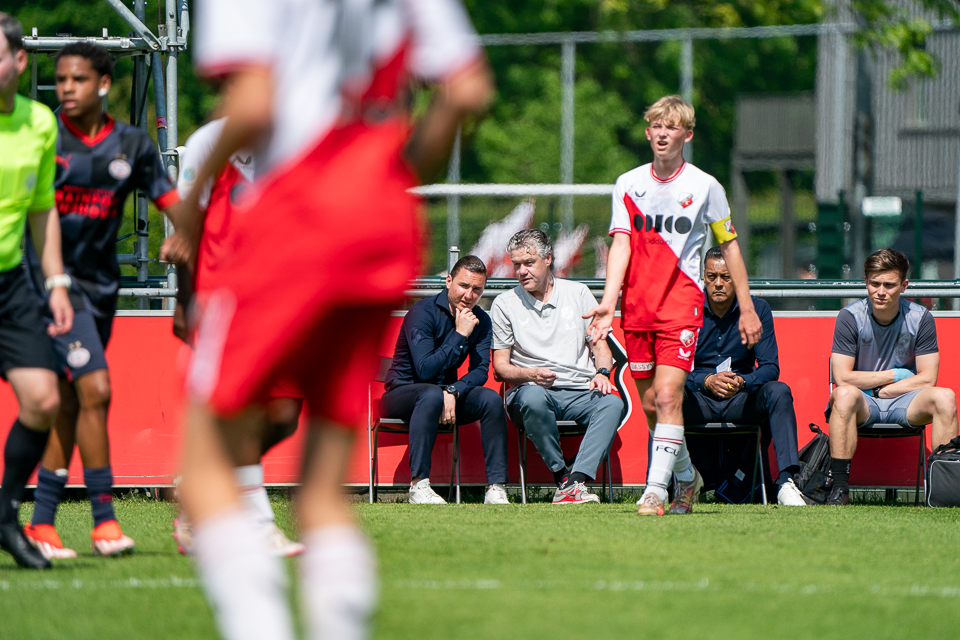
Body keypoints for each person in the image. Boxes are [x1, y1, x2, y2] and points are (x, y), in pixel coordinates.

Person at [160, 1, 493, 638]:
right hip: (380, 225)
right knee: (321, 487)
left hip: (291, 220)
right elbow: (467, 89)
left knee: (201, 468)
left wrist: (192, 196)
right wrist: (394, 175)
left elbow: (254, 105)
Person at [17, 42, 181, 561]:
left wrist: (186, 238)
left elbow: (173, 202)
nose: (66, 88)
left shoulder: (131, 145)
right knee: (97, 389)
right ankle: (104, 520)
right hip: (52, 287)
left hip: (102, 290)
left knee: (70, 402)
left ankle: (41, 524)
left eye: (78, 79)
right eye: (60, 79)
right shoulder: (46, 137)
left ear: (104, 85)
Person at [585, 95, 763, 517]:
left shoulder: (705, 186)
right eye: (657, 126)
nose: (663, 134)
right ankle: (688, 477)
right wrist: (609, 303)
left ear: (687, 134)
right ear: (648, 132)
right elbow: (622, 243)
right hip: (637, 308)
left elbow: (730, 246)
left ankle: (654, 491)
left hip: (681, 306)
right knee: (650, 406)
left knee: (668, 398)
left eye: (672, 127)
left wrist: (749, 306)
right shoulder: (628, 183)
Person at [171, 118, 304, 557]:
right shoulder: (209, 142)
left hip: (279, 298)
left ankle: (200, 493)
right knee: (243, 409)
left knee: (284, 414)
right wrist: (183, 299)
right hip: (222, 300)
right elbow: (186, 224)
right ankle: (259, 524)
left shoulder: (297, 134)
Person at [0, 12, 73, 569]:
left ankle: (6, 518)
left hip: (12, 285)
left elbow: (43, 211)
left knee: (45, 399)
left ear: (19, 61)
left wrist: (56, 283)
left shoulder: (40, 123)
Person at [492, 229, 624, 504]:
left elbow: (600, 345)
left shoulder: (578, 293)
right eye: (516, 264)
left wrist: (602, 373)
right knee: (533, 396)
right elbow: (500, 368)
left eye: (529, 263)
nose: (521, 271)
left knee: (612, 404)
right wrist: (530, 374)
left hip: (579, 390)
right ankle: (563, 477)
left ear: (549, 259)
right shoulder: (504, 303)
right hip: (530, 392)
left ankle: (573, 483)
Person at [825, 248, 959, 505]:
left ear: (904, 285)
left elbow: (928, 379)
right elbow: (842, 377)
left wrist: (886, 390)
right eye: (874, 283)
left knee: (945, 397)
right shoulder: (849, 317)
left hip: (905, 401)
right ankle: (839, 491)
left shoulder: (921, 318)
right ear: (866, 282)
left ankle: (944, 493)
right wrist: (892, 376)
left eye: (889, 284)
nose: (880, 291)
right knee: (842, 395)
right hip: (864, 402)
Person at [679, 246, 805, 506]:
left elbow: (770, 366)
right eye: (712, 277)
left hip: (741, 400)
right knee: (664, 393)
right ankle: (654, 484)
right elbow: (674, 366)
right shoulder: (686, 309)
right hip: (699, 401)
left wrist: (743, 382)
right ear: (703, 277)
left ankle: (785, 483)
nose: (718, 284)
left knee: (779, 391)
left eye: (726, 277)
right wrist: (703, 381)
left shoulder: (757, 309)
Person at [380, 255, 509, 505]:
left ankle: (496, 487)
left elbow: (481, 369)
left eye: (477, 289)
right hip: (401, 395)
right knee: (429, 393)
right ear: (448, 281)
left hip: (443, 395)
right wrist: (460, 333)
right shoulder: (422, 312)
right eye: (463, 286)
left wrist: (453, 390)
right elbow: (425, 370)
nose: (469, 295)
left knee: (491, 399)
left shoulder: (480, 320)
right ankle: (419, 486)